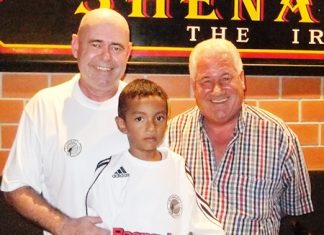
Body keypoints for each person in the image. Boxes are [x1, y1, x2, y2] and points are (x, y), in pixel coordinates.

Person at [1, 8, 132, 235]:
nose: (106, 56)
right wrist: (64, 226)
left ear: (128, 52)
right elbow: (15, 186)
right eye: (96, 44)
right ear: (75, 46)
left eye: (116, 47)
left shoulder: (146, 107)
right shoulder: (44, 106)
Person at [167, 38, 314, 234]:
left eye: (226, 78)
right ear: (194, 86)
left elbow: (296, 217)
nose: (217, 89)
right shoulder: (169, 135)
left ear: (242, 79)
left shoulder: (279, 137)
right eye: (206, 81)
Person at [85, 78, 225, 234]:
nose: (151, 127)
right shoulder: (110, 170)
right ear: (122, 124)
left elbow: (204, 224)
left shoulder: (177, 167)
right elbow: (94, 227)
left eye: (159, 118)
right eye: (140, 119)